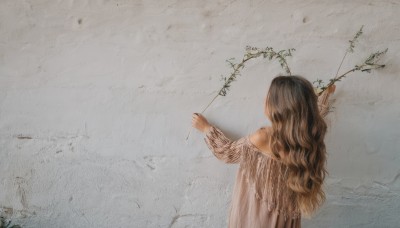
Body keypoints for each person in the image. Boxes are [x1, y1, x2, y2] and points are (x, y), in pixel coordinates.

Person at [191, 75, 336, 228]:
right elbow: (315, 116)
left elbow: (227, 152)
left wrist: (206, 128)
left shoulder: (264, 137)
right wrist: (326, 95)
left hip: (255, 218)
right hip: (286, 220)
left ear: (278, 106)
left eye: (269, 97)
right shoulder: (307, 136)